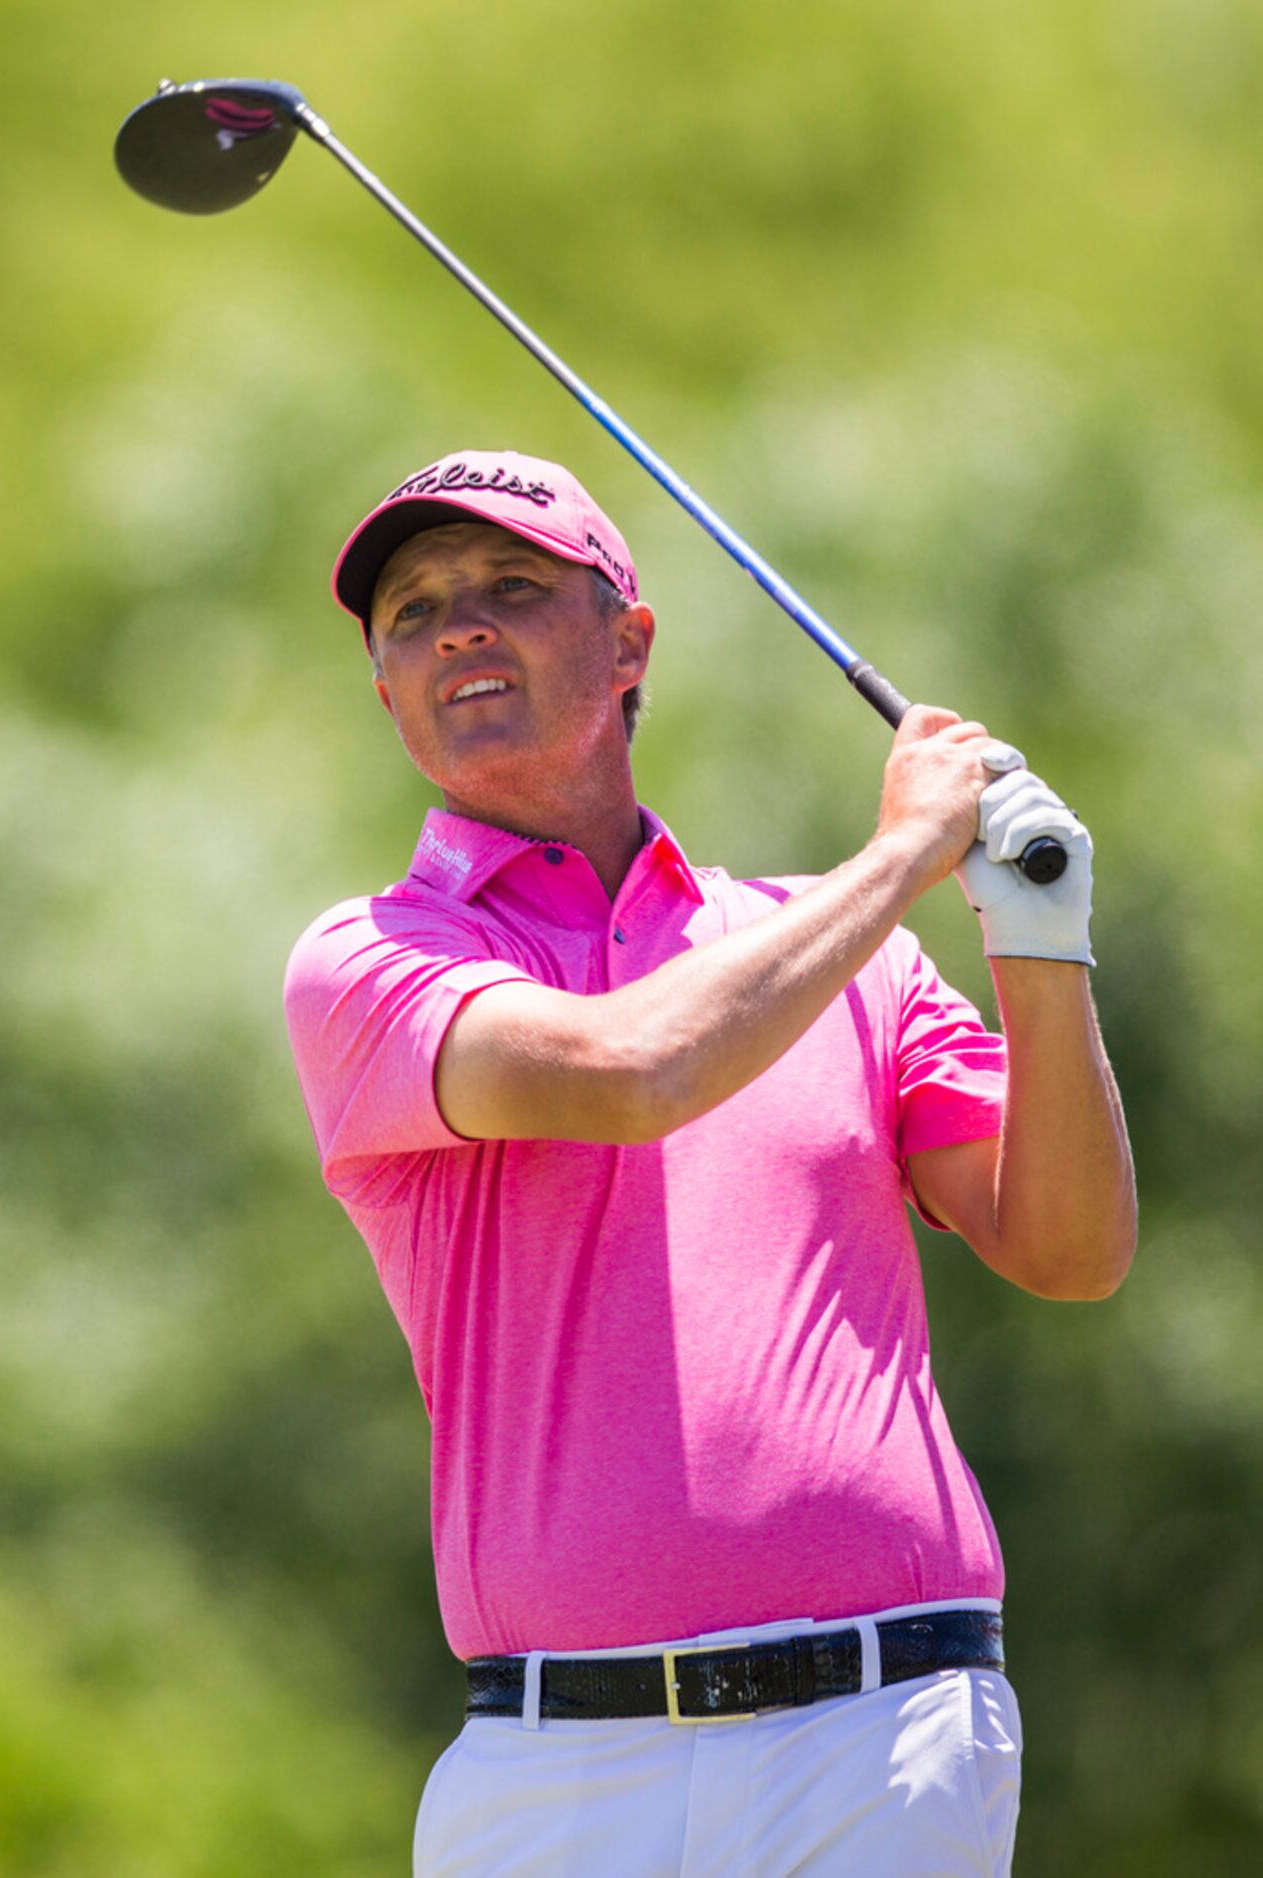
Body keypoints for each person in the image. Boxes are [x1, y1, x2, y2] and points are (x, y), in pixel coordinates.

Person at [284, 448, 1136, 1877]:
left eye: (511, 586)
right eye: (415, 613)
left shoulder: (840, 955)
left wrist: (1038, 938)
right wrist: (906, 852)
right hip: (560, 1773)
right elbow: (634, 1072)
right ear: (387, 693)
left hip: (883, 1740)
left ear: (629, 644)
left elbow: (1072, 1249)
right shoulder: (369, 962)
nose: (460, 627)